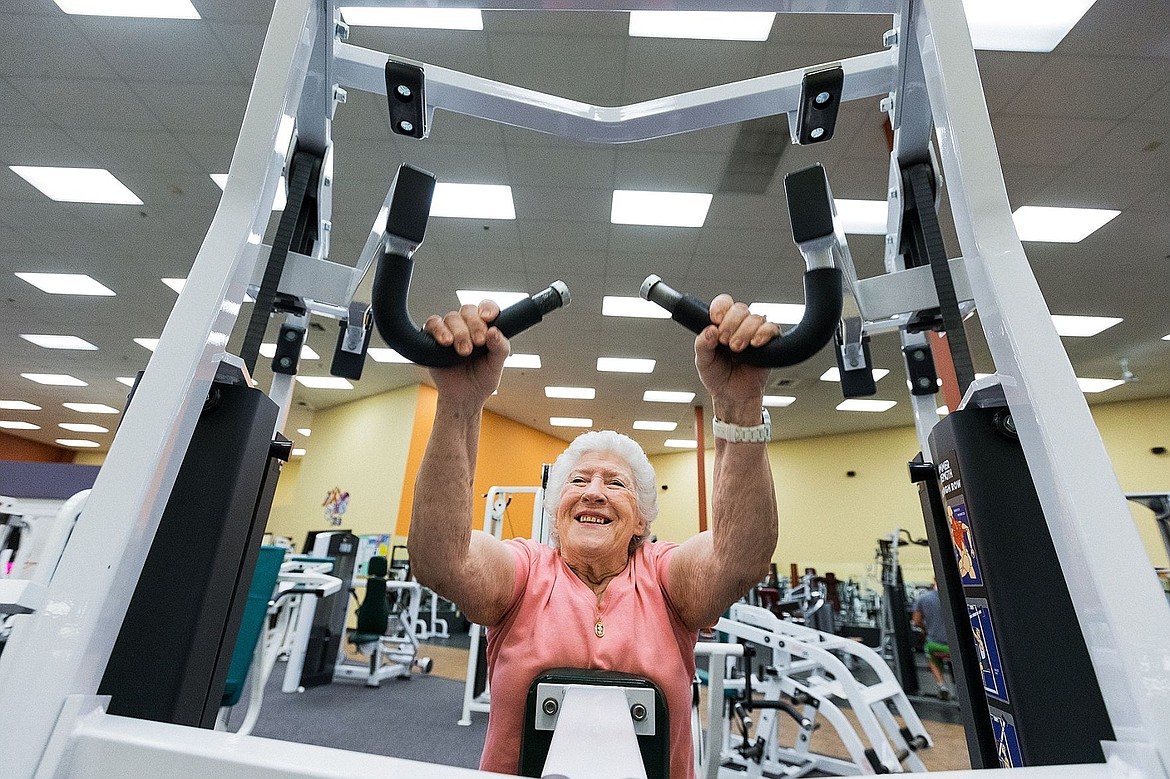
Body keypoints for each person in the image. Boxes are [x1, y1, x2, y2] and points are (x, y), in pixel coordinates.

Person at [408, 295, 781, 778]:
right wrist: (459, 405)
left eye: (615, 483)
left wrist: (740, 402)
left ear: (642, 521)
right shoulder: (524, 572)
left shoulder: (665, 578)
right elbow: (441, 561)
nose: (594, 494)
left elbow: (739, 559)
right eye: (579, 482)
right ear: (555, 509)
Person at [912, 580, 951, 700]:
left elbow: (917, 621)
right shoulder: (954, 596)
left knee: (931, 658)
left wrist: (926, 628)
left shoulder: (923, 599)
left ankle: (942, 685)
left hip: (935, 645)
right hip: (954, 647)